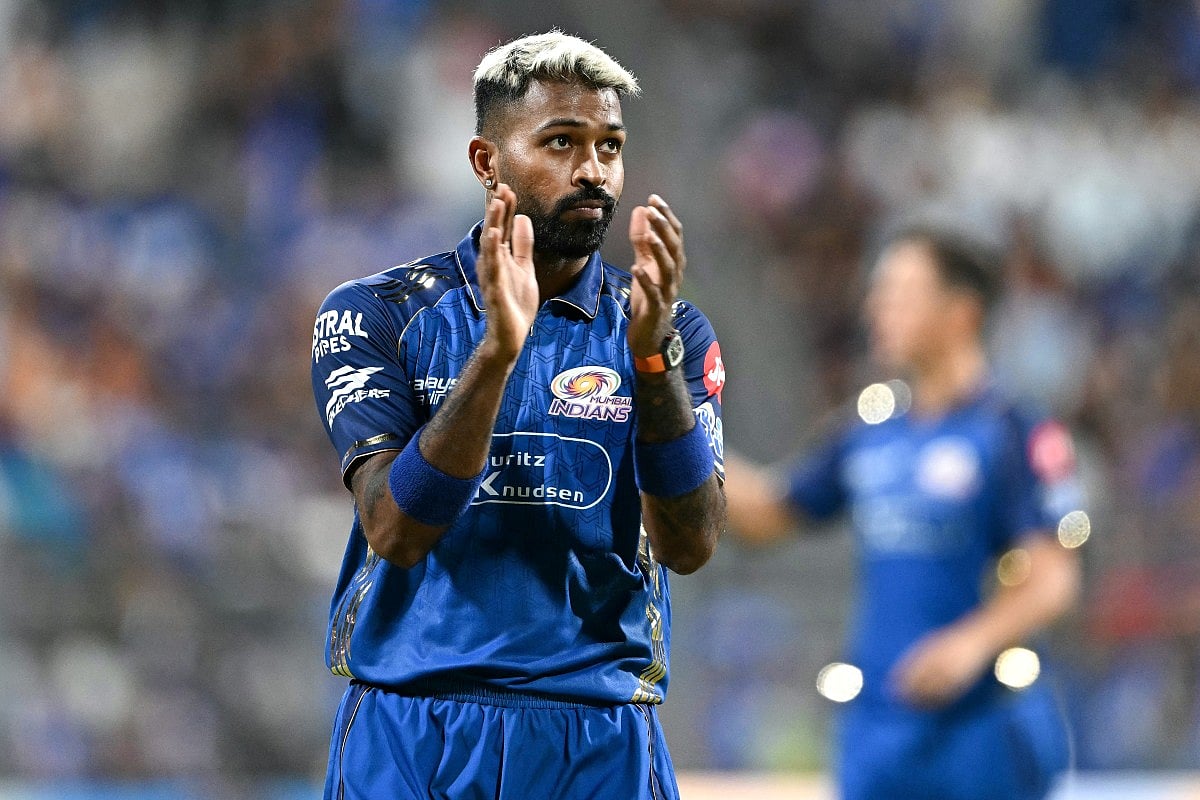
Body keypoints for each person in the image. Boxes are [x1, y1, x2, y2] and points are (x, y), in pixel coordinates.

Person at [309, 31, 726, 800]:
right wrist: (498, 354)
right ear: (486, 161)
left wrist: (652, 361)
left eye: (610, 145)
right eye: (561, 142)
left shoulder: (666, 329)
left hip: (598, 731)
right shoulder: (378, 314)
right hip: (414, 728)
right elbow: (396, 531)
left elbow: (691, 543)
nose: (593, 171)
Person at [725, 227, 1084, 800]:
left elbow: (1054, 579)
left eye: (899, 292)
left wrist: (968, 644)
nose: (876, 307)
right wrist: (675, 433)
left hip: (981, 728)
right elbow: (769, 512)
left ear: (960, 312)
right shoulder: (869, 432)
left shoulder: (1014, 431)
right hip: (878, 731)